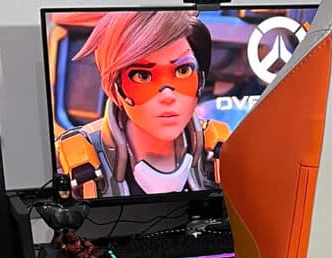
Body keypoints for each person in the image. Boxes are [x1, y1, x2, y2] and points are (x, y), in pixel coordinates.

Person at [54, 10, 230, 198]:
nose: (168, 95)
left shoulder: (222, 150)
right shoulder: (68, 164)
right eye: (143, 76)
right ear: (116, 85)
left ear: (200, 79)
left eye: (183, 70)